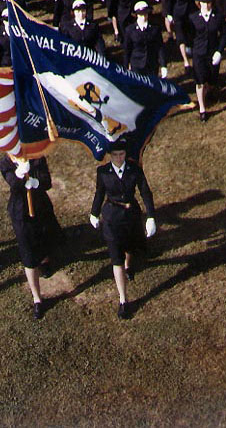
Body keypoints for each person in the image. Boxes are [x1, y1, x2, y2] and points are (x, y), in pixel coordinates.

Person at [89, 137, 156, 320]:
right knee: (115, 257)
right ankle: (123, 300)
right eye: (115, 155)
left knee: (129, 245)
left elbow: (145, 192)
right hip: (111, 217)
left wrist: (150, 216)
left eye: (122, 154)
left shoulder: (134, 170)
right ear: (110, 156)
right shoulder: (103, 172)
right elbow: (99, 193)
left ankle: (128, 265)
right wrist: (94, 213)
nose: (119, 158)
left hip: (131, 216)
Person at [0, 154, 63, 320]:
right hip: (21, 212)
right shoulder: (6, 162)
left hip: (41, 206)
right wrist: (20, 175)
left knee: (45, 237)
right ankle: (37, 298)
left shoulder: (37, 157)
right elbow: (13, 184)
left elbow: (47, 182)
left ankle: (45, 261)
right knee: (28, 253)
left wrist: (36, 183)